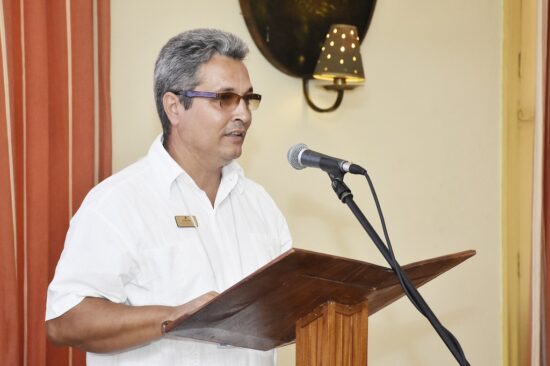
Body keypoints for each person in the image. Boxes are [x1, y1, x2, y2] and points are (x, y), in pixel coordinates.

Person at [45, 28, 292, 365]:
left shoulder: (259, 204)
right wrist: (174, 317)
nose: (244, 114)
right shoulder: (117, 202)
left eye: (248, 99)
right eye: (225, 98)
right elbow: (64, 321)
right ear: (174, 107)